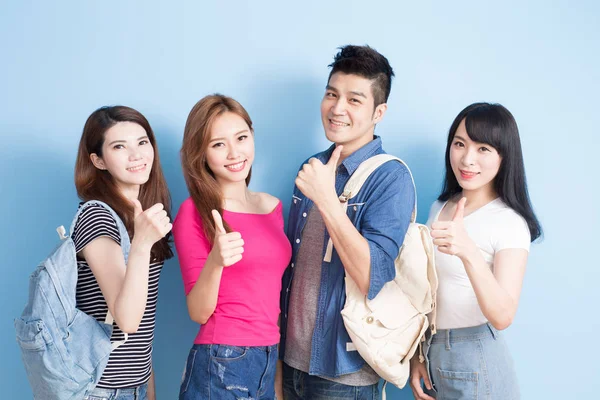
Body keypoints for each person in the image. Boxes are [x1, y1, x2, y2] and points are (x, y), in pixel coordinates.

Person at [279, 45, 415, 400]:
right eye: (331, 94)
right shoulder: (312, 166)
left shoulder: (391, 177)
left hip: (343, 374)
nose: (337, 108)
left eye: (354, 100)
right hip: (290, 363)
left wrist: (327, 199)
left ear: (378, 112)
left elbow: (372, 275)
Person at [409, 103, 542, 400]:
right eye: (459, 144)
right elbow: (429, 289)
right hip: (435, 353)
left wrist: (468, 251)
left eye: (483, 149)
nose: (467, 159)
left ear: (503, 156)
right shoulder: (441, 206)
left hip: (476, 357)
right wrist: (419, 354)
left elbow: (503, 315)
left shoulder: (509, 222)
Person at [174, 94, 291, 400]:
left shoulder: (272, 207)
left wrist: (275, 371)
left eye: (241, 138)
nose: (234, 152)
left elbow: (272, 295)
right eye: (218, 144)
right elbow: (198, 312)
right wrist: (215, 261)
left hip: (267, 355)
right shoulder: (194, 211)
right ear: (202, 153)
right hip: (221, 357)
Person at [74, 105, 173, 400]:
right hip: (99, 388)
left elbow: (141, 329)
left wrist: (147, 386)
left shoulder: (139, 216)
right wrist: (142, 244)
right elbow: (127, 320)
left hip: (134, 384)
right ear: (98, 161)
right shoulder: (96, 216)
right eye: (119, 146)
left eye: (143, 142)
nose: (137, 155)